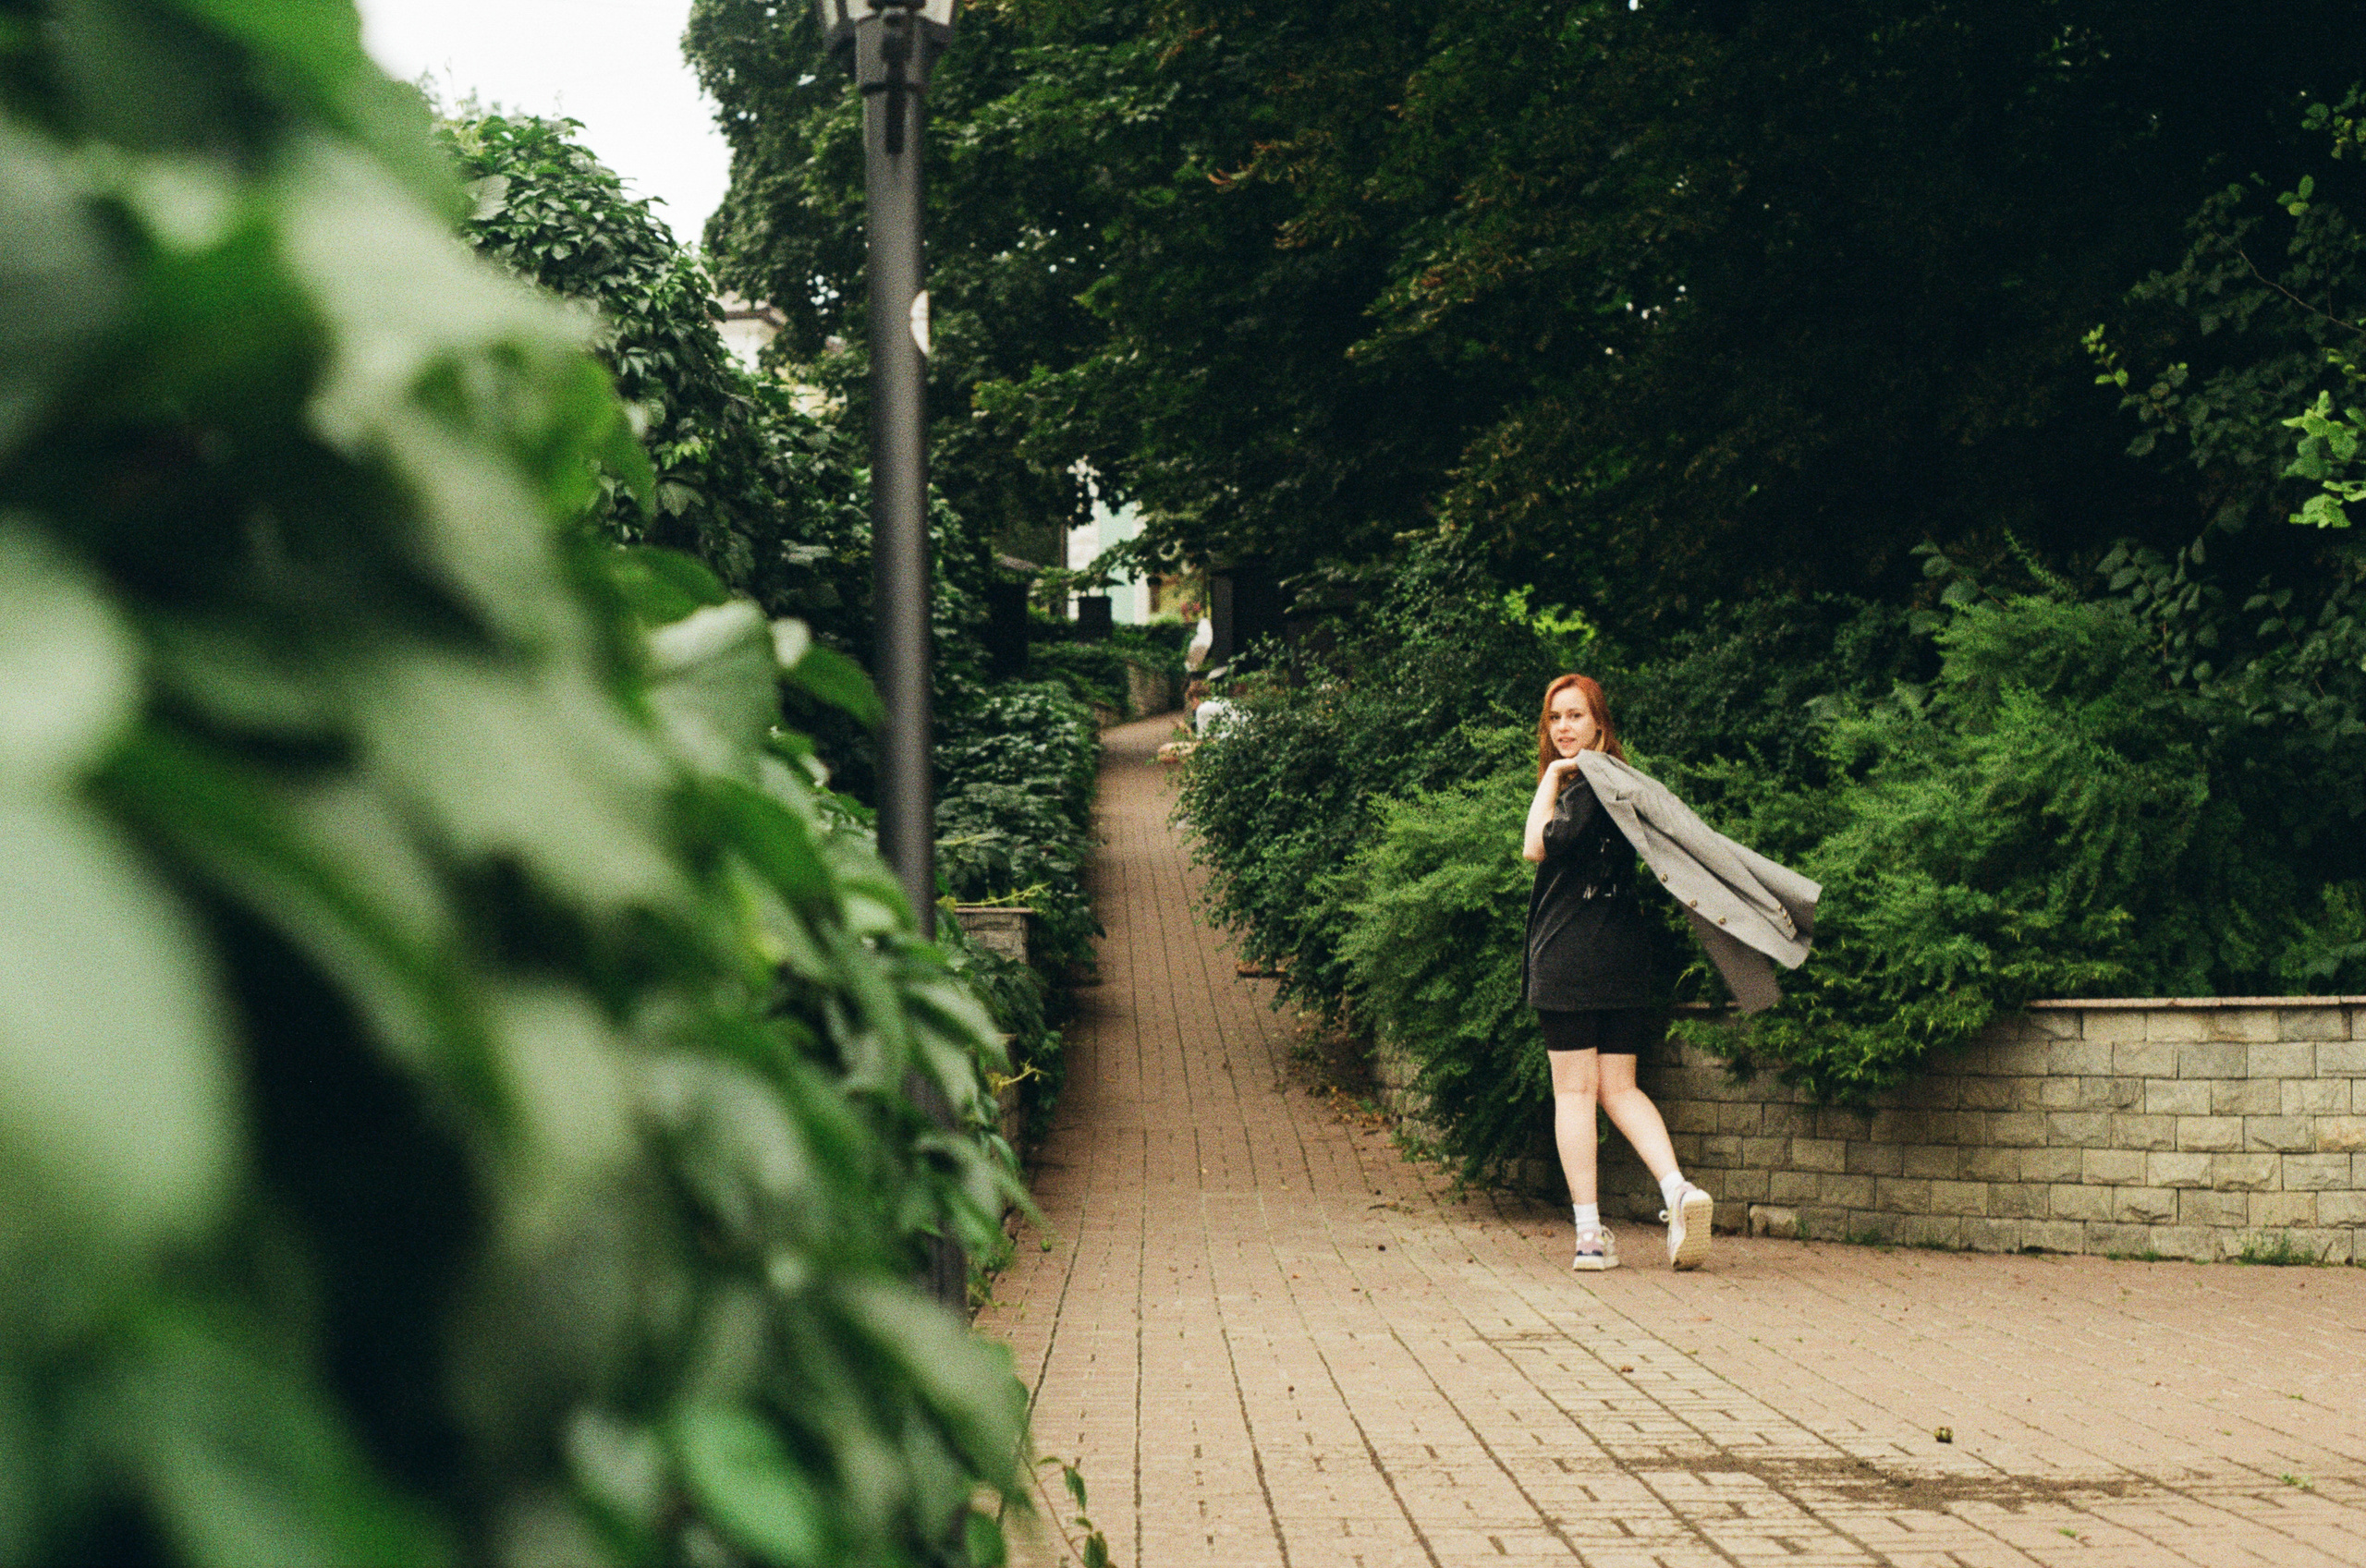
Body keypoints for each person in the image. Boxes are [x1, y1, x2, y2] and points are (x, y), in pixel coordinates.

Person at [1521, 674, 1712, 1272]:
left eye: (1576, 716)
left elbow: (1535, 845)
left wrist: (1553, 776)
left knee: (1575, 1092)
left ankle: (1588, 1235)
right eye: (1556, 718)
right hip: (1625, 956)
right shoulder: (1628, 789)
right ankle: (1677, 1190)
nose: (1564, 727)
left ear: (1600, 725)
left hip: (1570, 959)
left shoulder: (1580, 791)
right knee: (1619, 1087)